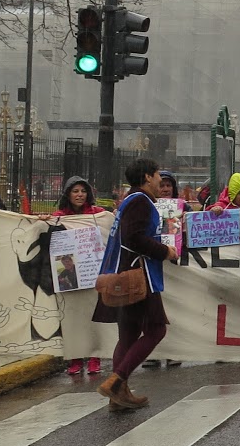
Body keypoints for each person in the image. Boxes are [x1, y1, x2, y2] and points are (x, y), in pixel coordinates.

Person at [92, 158, 174, 411]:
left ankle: (119, 396)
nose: (160, 180)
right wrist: (165, 251)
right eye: (158, 175)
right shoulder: (140, 201)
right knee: (156, 330)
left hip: (122, 274)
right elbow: (134, 238)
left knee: (128, 334)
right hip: (138, 276)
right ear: (147, 177)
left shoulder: (130, 200)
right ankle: (116, 382)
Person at [48, 175, 108, 376]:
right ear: (68, 194)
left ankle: (94, 357)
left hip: (92, 274)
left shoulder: (98, 214)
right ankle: (75, 359)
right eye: (75, 191)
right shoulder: (58, 216)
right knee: (72, 320)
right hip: (70, 282)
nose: (80, 195)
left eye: (83, 191)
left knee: (93, 318)